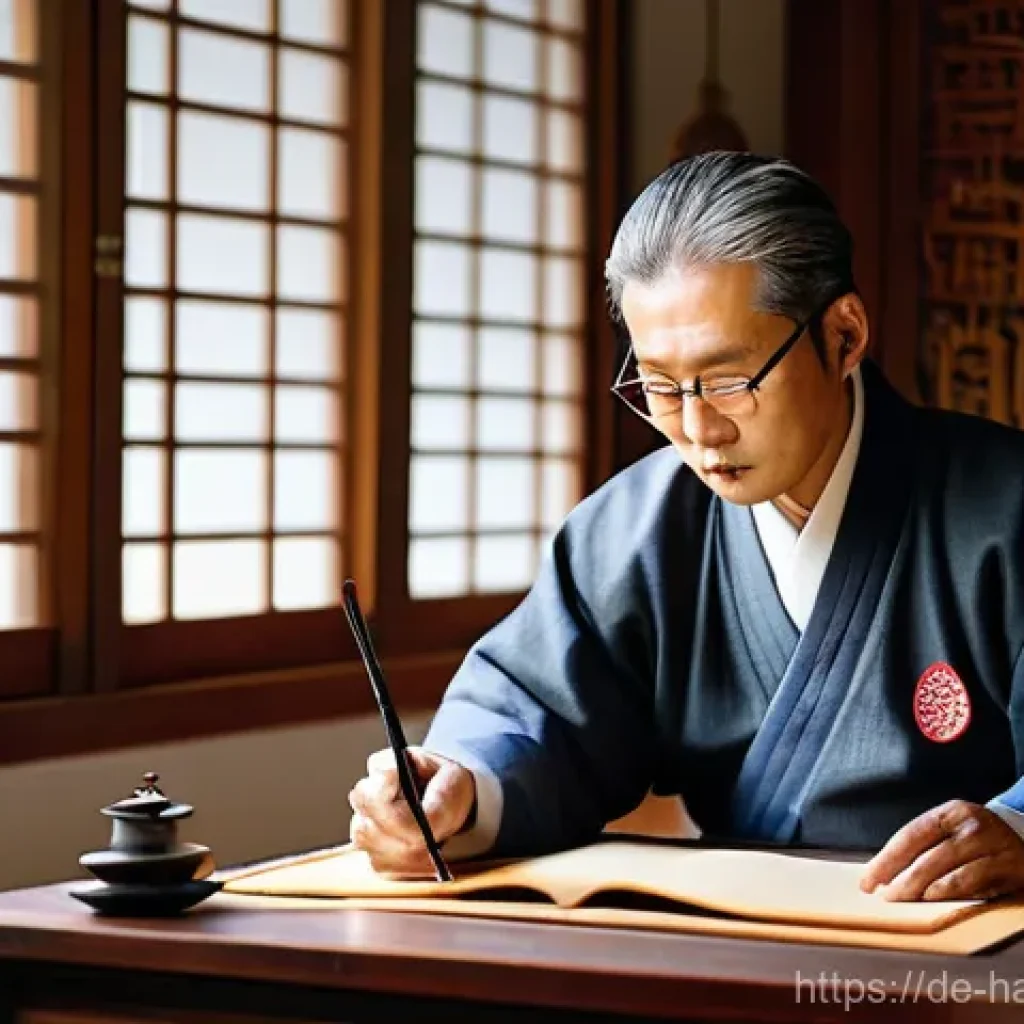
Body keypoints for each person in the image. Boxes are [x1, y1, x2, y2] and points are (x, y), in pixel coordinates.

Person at [349, 152, 1024, 903]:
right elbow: (536, 715)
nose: (699, 428)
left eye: (731, 379)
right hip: (729, 945)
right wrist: (456, 795)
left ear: (844, 335)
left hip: (969, 961)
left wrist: (1019, 831)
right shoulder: (635, 530)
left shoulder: (1004, 510)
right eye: (660, 386)